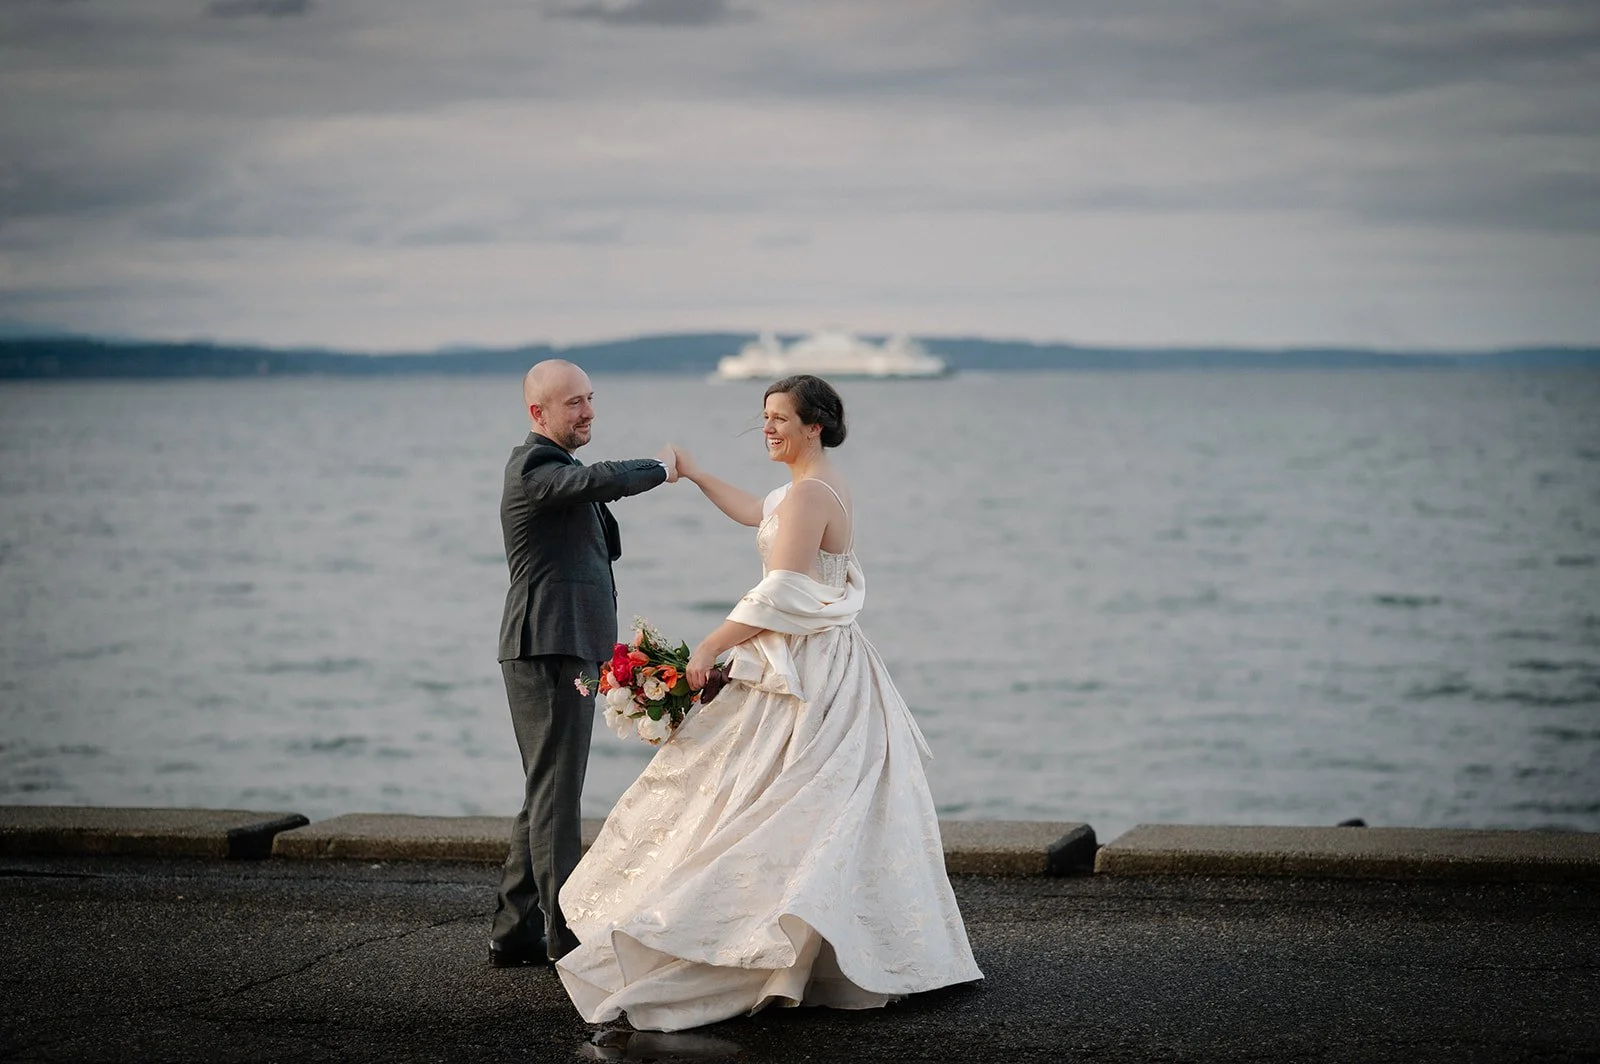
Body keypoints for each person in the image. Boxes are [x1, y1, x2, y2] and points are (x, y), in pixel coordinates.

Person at [556, 374, 982, 1029]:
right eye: (764, 417)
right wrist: (698, 475)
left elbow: (781, 587)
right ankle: (808, 947)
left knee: (769, 799)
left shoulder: (811, 492)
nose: (768, 428)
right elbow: (760, 511)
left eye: (780, 418)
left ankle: (747, 942)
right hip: (823, 656)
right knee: (803, 805)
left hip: (807, 668)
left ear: (815, 425)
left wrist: (711, 644)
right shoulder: (810, 486)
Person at [491, 359, 678, 968]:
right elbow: (600, 481)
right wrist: (661, 468)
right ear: (537, 413)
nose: (588, 411)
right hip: (548, 646)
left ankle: (514, 930)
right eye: (573, 402)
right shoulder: (535, 468)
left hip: (565, 643)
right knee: (557, 792)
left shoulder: (561, 469)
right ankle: (565, 940)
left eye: (590, 398)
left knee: (548, 787)